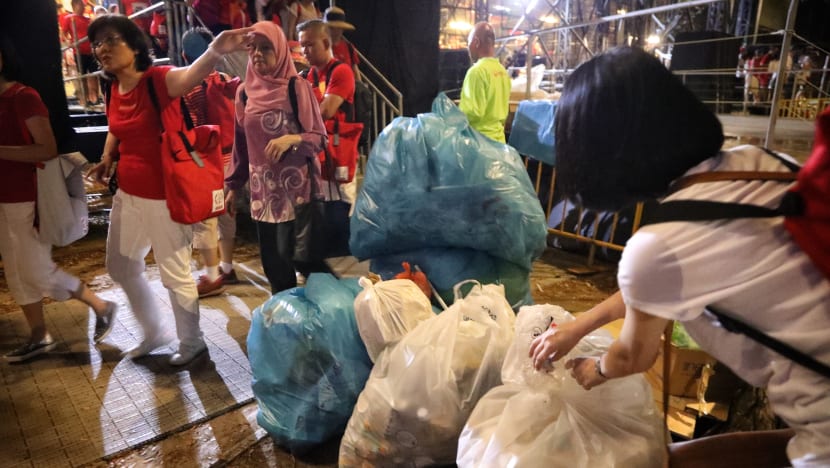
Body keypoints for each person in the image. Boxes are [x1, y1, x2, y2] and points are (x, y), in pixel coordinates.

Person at [529, 46, 830, 467]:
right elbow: (656, 291)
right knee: (671, 458)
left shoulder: (659, 245)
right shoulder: (756, 162)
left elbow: (634, 355)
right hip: (814, 410)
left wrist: (593, 369)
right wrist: (577, 328)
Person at [86, 15, 252, 365]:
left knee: (174, 272)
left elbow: (192, 74)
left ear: (134, 46)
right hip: (127, 194)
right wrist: (106, 158)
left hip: (165, 196)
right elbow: (116, 126)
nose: (102, 48)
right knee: (120, 266)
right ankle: (154, 332)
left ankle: (192, 342)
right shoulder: (113, 88)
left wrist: (214, 51)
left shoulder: (158, 81)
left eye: (111, 40)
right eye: (98, 43)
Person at [0, 35, 117, 363]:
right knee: (17, 273)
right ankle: (39, 336)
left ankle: (101, 306)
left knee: (36, 270)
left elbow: (46, 149)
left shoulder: (23, 97)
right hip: (4, 199)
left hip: (27, 199)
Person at [224, 21, 328, 294]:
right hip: (264, 194)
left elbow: (319, 138)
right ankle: (287, 324)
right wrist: (233, 185)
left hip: (298, 192)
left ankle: (331, 314)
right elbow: (241, 144)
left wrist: (292, 139)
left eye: (266, 48)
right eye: (253, 48)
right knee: (274, 267)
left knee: (304, 260)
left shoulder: (297, 88)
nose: (257, 53)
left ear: (280, 51)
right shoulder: (244, 93)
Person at [180, 27, 242, 298]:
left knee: (206, 218)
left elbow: (192, 127)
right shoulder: (229, 80)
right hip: (233, 157)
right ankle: (227, 267)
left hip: (208, 159)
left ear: (184, 54)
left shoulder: (188, 87)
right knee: (228, 213)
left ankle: (212, 276)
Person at [298, 19, 358, 203]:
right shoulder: (307, 76)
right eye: (302, 46)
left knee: (342, 212)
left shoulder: (341, 71)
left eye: (309, 45)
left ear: (325, 43)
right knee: (320, 214)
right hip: (316, 156)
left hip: (338, 153)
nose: (304, 51)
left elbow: (326, 111)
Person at [458, 21, 511, 143]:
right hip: (499, 143)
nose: (468, 48)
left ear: (476, 42)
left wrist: (451, 117)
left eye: (469, 43)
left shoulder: (476, 72)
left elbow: (471, 113)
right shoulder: (502, 71)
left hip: (479, 146)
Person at [62, 0, 101, 108]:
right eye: (81, 5)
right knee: (82, 76)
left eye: (83, 5)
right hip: (79, 52)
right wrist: (69, 43)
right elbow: (63, 33)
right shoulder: (69, 18)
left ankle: (95, 99)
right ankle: (85, 99)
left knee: (94, 75)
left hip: (91, 51)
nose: (83, 7)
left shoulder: (88, 19)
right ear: (75, 5)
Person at [322, 6, 360, 81]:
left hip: (347, 88)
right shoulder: (320, 47)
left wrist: (359, 88)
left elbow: (355, 71)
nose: (336, 31)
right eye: (331, 28)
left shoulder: (349, 47)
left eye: (338, 28)